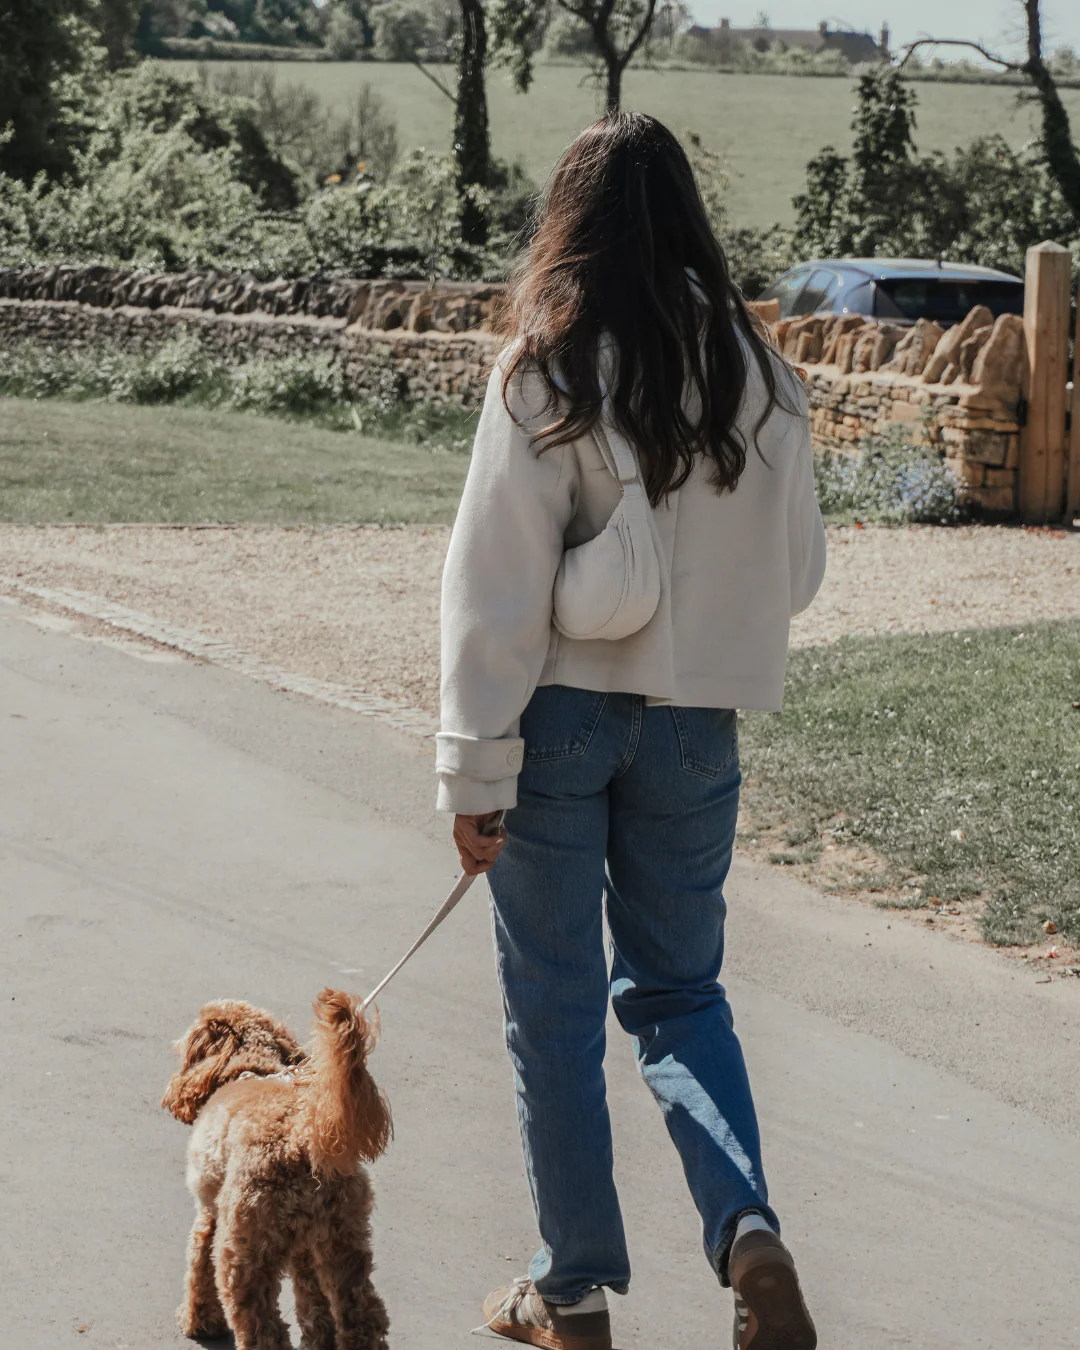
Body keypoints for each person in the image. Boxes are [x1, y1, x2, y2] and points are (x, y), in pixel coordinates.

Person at [437, 112, 826, 1350]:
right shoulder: (762, 374)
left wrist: (473, 771)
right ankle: (748, 1233)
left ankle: (572, 1294)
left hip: (557, 714)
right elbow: (798, 573)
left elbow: (493, 588)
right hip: (695, 725)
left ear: (573, 222)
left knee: (550, 1006)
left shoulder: (546, 367)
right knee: (679, 992)